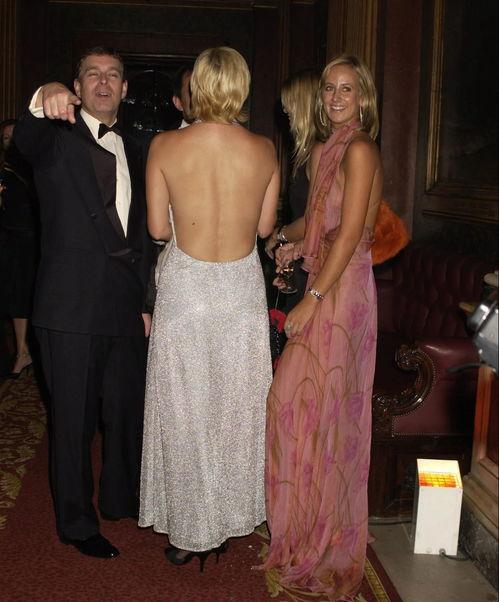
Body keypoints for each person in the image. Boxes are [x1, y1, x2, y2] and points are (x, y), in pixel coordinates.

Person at [139, 46, 279, 569]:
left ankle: (189, 530)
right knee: (235, 408)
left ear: (197, 86)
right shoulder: (264, 149)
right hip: (240, 289)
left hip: (187, 288)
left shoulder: (165, 145)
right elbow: (265, 228)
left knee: (185, 408)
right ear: (242, 88)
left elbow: (158, 229)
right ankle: (223, 518)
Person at [13, 46, 153, 559]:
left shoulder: (139, 149)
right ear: (77, 86)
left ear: (125, 88)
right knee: (72, 421)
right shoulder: (54, 138)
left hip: (125, 305)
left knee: (125, 411)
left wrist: (146, 301)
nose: (103, 82)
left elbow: (143, 234)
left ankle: (120, 498)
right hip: (69, 307)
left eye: (113, 75)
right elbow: (24, 140)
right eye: (92, 74)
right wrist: (42, 96)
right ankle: (76, 523)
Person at [261, 54, 383, 600]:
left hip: (343, 289)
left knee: (313, 408)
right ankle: (303, 527)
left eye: (346, 89)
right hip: (321, 277)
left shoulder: (360, 149)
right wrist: (281, 239)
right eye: (330, 88)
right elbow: (315, 221)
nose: (335, 97)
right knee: (299, 407)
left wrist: (312, 298)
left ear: (363, 98)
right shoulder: (320, 151)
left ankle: (326, 537)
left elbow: (351, 233)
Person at [265, 69, 321, 310]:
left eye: (290, 103)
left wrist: (279, 235)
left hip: (315, 265)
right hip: (302, 256)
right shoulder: (306, 153)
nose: (285, 109)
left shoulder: (319, 152)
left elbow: (315, 221)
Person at [0, 134, 39, 378]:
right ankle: (22, 350)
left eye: (13, 136)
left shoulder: (33, 166)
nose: (9, 140)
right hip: (11, 241)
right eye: (5, 137)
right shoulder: (5, 173)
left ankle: (26, 350)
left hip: (32, 241)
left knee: (25, 295)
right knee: (16, 296)